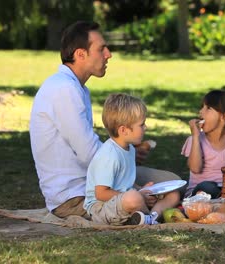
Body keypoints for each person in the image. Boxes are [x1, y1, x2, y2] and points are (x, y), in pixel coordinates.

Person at [29, 21, 180, 219]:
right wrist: (127, 162)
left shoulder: (77, 88)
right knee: (155, 193)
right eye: (101, 49)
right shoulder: (63, 89)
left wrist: (129, 153)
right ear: (80, 54)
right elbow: (89, 153)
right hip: (77, 195)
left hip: (100, 179)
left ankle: (147, 209)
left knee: (173, 182)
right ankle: (145, 213)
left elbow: (96, 153)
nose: (108, 54)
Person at [84, 94, 178, 225]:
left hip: (125, 198)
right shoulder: (109, 155)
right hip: (101, 208)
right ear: (124, 130)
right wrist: (139, 196)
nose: (145, 128)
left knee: (173, 194)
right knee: (133, 198)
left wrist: (143, 190)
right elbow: (101, 193)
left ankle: (151, 217)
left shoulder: (130, 149)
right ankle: (149, 218)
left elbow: (125, 182)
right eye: (141, 124)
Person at [181, 90, 225, 198]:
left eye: (208, 108)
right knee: (209, 187)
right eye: (202, 107)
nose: (201, 112)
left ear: (224, 117)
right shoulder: (194, 140)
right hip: (198, 192)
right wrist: (196, 137)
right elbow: (195, 168)